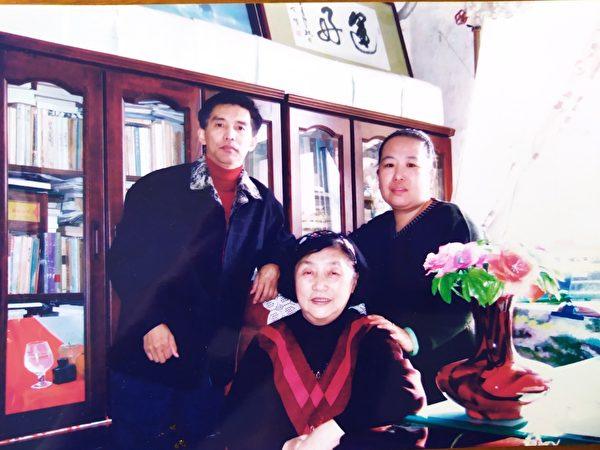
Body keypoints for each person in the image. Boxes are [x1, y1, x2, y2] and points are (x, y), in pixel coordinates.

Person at [107, 91, 295, 449]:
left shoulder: (262, 201)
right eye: (219, 125)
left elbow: (284, 244)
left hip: (212, 357)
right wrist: (151, 322)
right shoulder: (157, 188)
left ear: (253, 139)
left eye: (241, 127)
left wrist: (274, 264)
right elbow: (127, 260)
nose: (230, 135)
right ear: (202, 134)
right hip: (152, 345)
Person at [218, 231, 426, 450]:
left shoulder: (371, 335)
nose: (319, 285)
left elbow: (402, 400)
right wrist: (286, 447)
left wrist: (331, 433)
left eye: (333, 273)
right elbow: (238, 421)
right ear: (293, 278)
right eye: (308, 272)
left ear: (354, 281)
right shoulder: (269, 341)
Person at [350, 128, 480, 403]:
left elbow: (466, 302)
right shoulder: (374, 231)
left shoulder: (452, 221)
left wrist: (412, 336)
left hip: (448, 370)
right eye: (388, 164)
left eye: (411, 164)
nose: (398, 175)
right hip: (390, 366)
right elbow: (337, 259)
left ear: (430, 173)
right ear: (378, 175)